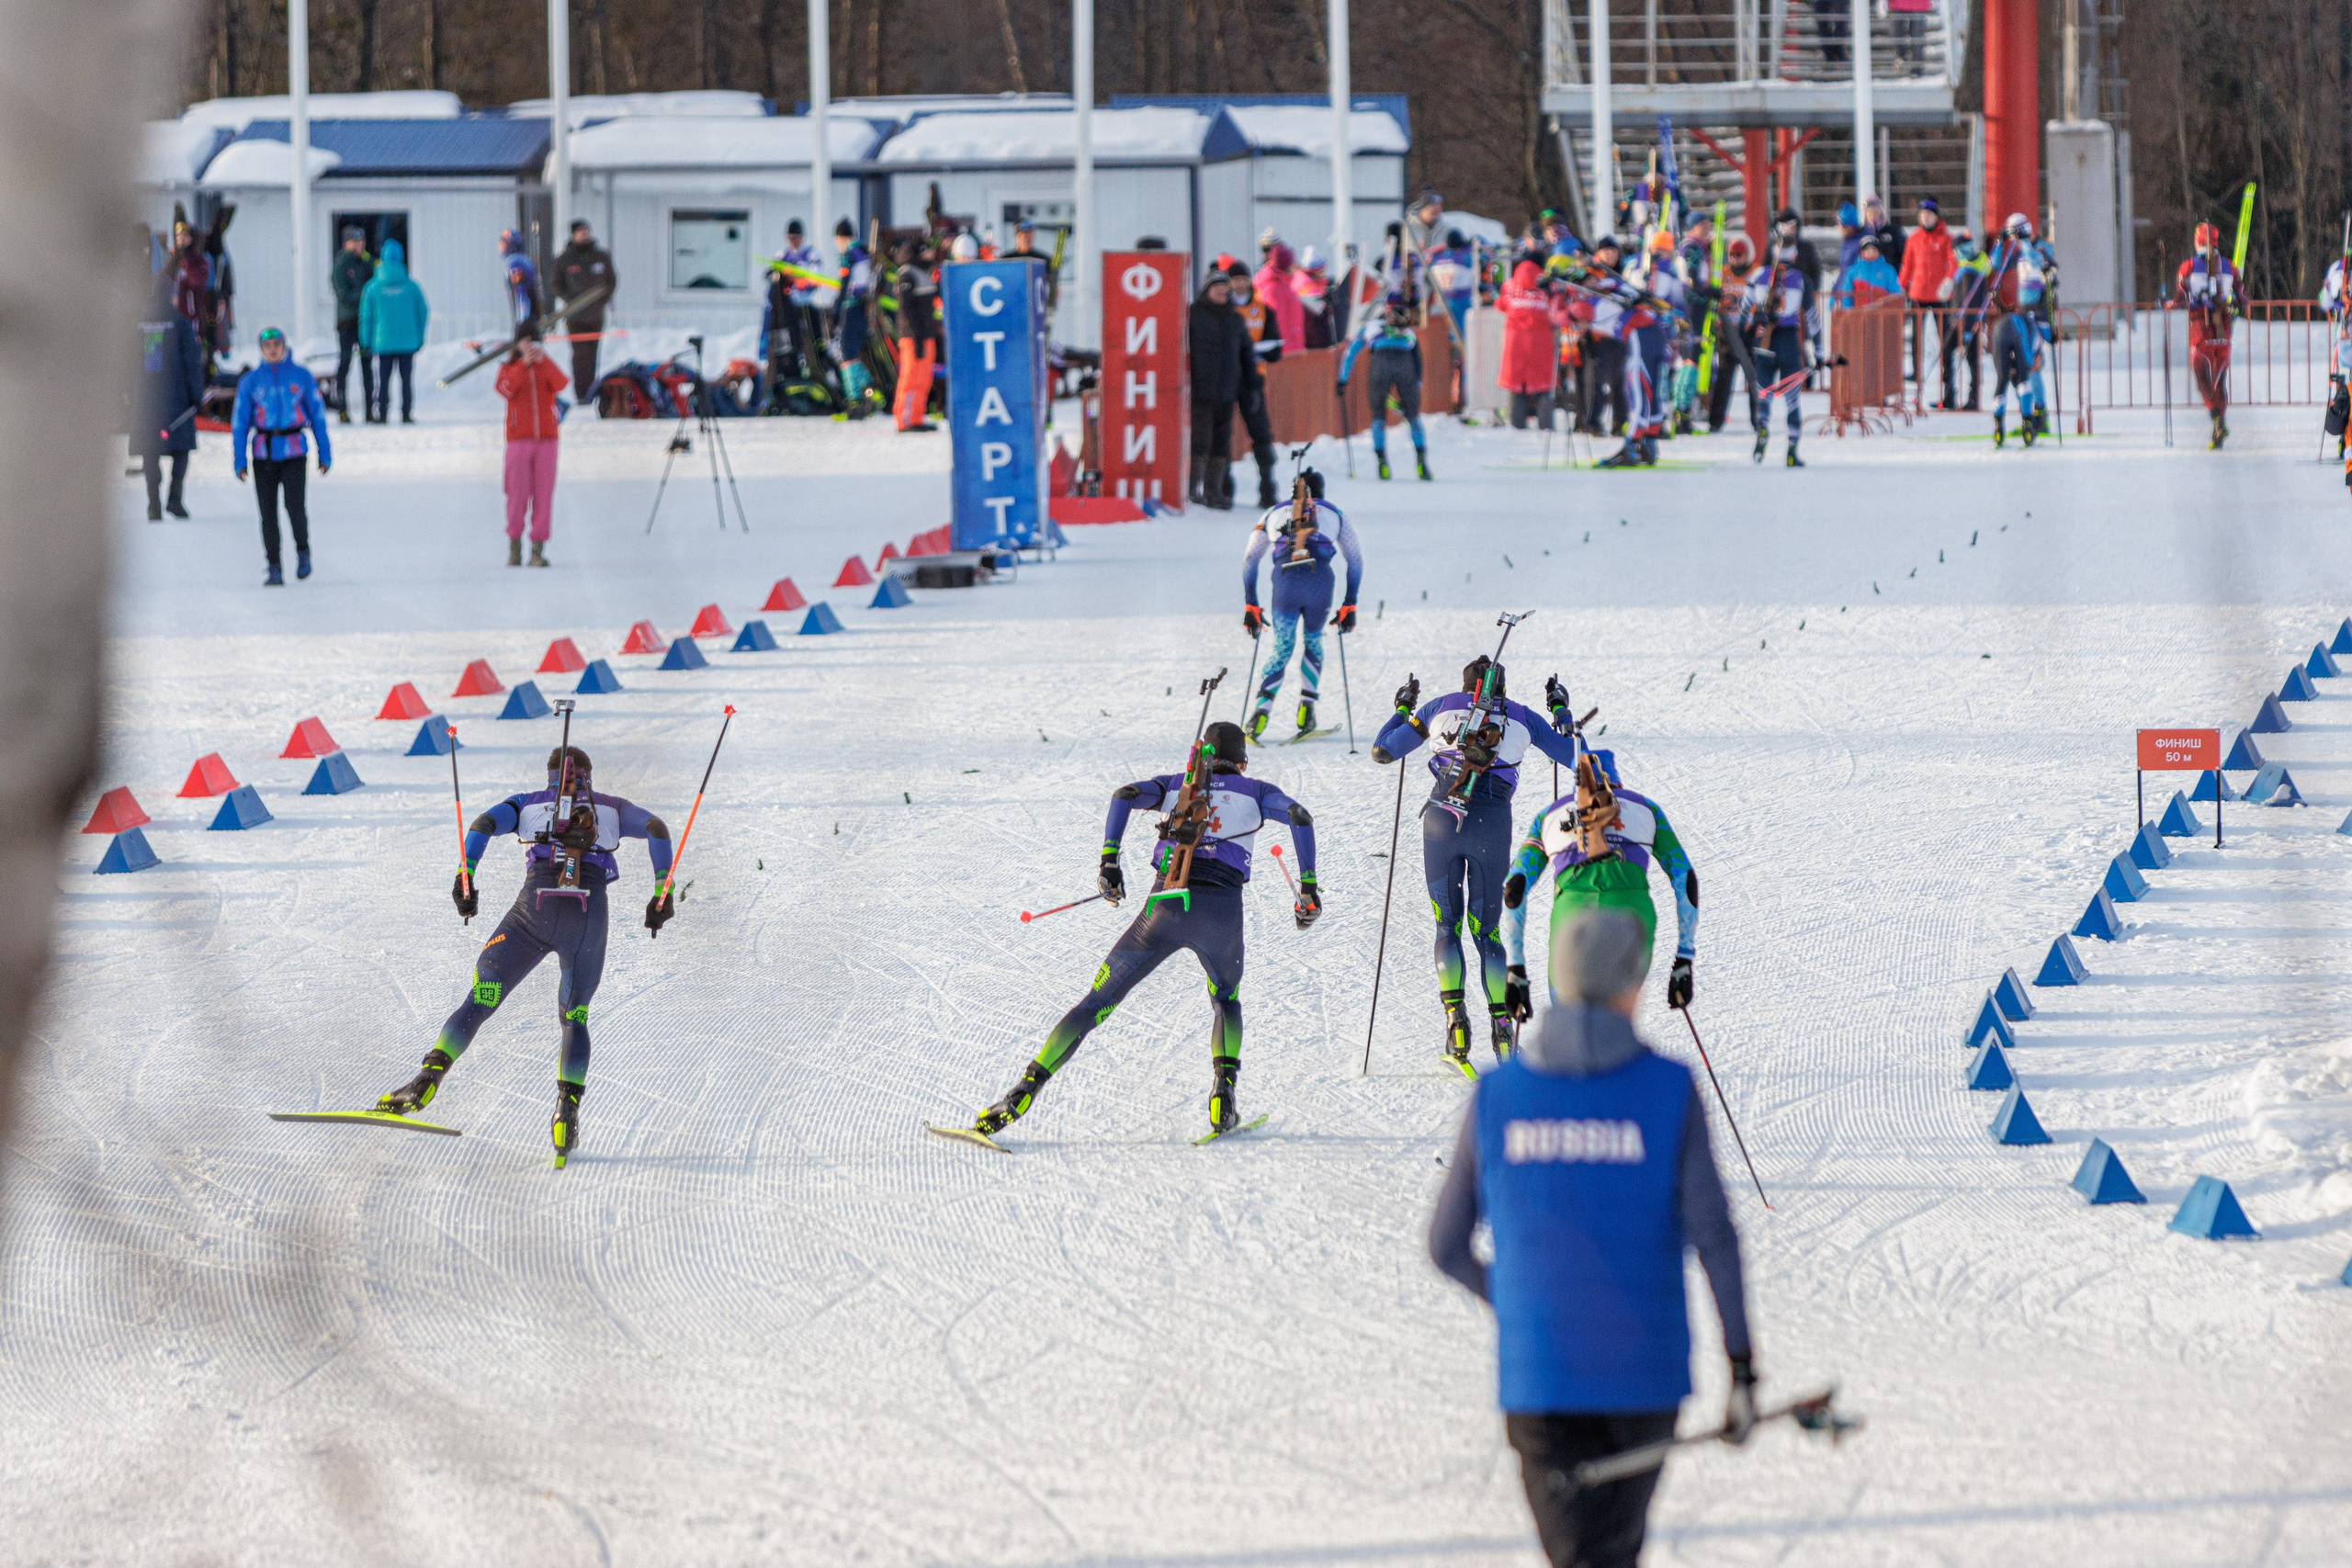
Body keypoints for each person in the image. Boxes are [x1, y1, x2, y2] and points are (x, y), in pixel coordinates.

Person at [1427, 907, 1756, 1568]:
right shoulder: (1668, 1088)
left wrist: (1520, 1306)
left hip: (1541, 1381)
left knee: (1582, 1554)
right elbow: (1714, 1235)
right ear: (1629, 986)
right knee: (1608, 1552)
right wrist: (1744, 1365)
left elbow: (1445, 1245)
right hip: (1646, 1381)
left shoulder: (1499, 1093)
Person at [944, 719, 1320, 1144]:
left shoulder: (1179, 783)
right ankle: (1223, 1098)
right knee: (1226, 999)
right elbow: (1298, 817)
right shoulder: (1256, 791)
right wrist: (1307, 888)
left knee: (1097, 1003)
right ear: (1243, 763)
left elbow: (1123, 794)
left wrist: (1110, 860)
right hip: (1221, 914)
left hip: (1164, 907)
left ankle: (1019, 1095)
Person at [375, 745, 675, 1168]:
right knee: (575, 1016)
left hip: (531, 912)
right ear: (589, 775)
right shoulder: (613, 807)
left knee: (480, 999)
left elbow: (482, 822)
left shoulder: (526, 802)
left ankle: (426, 1079)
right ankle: (565, 1114)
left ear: (549, 775)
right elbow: (657, 827)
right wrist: (662, 890)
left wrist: (467, 874)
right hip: (587, 917)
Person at [1374, 661, 1580, 1073]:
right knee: (1486, 933)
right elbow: (1575, 756)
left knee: (1445, 926)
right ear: (1502, 688)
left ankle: (1456, 1025)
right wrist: (1560, 711)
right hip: (1492, 822)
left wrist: (1402, 707)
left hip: (1441, 820)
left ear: (1465, 684)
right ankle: (1503, 1033)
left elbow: (1383, 750)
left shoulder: (1437, 707)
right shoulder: (1521, 716)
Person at [1501, 749, 1699, 1018]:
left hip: (1572, 914)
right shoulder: (1647, 809)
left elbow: (1515, 887)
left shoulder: (1548, 815)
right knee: (1616, 1022)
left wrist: (1516, 969)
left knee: (1570, 1023)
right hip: (1631, 913)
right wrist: (1684, 958)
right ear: (1615, 779)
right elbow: (1684, 876)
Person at [1243, 471, 1363, 739]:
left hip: (1285, 585)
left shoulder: (1272, 513)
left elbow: (1250, 559)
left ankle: (1259, 714)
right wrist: (1350, 602)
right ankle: (1306, 711)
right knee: (1313, 641)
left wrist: (1251, 603)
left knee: (1282, 647)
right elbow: (1355, 560)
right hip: (1320, 584)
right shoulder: (1336, 513)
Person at [229, 326, 330, 586]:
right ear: (261, 350)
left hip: (294, 451)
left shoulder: (301, 376)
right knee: (268, 513)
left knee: (295, 508)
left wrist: (324, 452)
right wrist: (239, 459)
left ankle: (303, 552)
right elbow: (240, 423)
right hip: (264, 454)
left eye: (277, 345)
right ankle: (273, 565)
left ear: (284, 346)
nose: (273, 350)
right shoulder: (251, 381)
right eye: (267, 346)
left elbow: (318, 417)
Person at [1745, 227, 1821, 468]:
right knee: (1792, 398)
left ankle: (1762, 430)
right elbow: (1812, 319)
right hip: (1788, 340)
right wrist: (1816, 350)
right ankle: (1791, 449)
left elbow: (1744, 311)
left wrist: (1750, 329)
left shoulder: (1758, 276)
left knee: (1764, 393)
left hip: (1764, 340)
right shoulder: (1801, 280)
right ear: (1794, 254)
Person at [134, 271, 206, 521]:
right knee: (181, 450)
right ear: (173, 296)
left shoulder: (139, 324)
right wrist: (197, 396)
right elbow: (191, 362)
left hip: (146, 400)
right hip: (177, 399)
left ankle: (153, 504)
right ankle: (174, 500)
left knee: (150, 449)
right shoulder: (180, 323)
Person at [1342, 289, 1432, 481]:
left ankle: (1382, 460)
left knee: (1378, 417)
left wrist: (1342, 379)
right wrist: (1417, 382)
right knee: (1413, 417)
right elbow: (1418, 360)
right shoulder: (1408, 330)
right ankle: (1421, 459)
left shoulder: (1370, 326)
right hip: (1405, 364)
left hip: (1379, 366)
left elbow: (1351, 352)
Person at [495, 339, 568, 568]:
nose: (530, 347)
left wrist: (543, 361)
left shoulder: (544, 365)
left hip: (547, 440)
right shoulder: (509, 368)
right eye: (525, 343)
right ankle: (514, 545)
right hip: (518, 441)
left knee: (544, 495)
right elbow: (505, 388)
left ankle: (538, 549)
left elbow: (561, 384)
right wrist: (522, 365)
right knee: (517, 494)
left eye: (534, 342)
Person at [1187, 269, 1249, 510]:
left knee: (1221, 443)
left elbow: (1245, 356)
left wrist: (1248, 387)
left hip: (1226, 391)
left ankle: (1214, 492)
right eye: (1217, 287)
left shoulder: (1234, 318)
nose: (1223, 291)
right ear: (1207, 290)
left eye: (1225, 287)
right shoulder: (1193, 315)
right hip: (1201, 391)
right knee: (1200, 441)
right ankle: (1193, 490)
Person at [2177, 220, 2238, 450]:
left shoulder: (2188, 266)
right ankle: (2218, 430)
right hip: (2223, 331)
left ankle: (2217, 420)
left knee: (2203, 381)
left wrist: (2167, 304)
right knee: (2220, 381)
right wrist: (2234, 305)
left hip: (2200, 330)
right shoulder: (2230, 266)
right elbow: (2242, 298)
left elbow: (2179, 298)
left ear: (2198, 241)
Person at [1227, 260, 1282, 508]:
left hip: (1253, 379)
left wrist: (1258, 350)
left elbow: (1274, 349)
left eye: (1242, 278)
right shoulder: (1223, 308)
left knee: (1260, 433)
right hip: (1226, 378)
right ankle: (1223, 488)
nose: (1239, 284)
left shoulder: (1262, 310)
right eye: (1234, 279)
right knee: (1222, 433)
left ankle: (1268, 487)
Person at [357, 237, 428, 424]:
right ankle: (406, 413)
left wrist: (366, 341)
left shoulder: (373, 287)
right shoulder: (412, 286)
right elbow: (423, 312)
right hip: (408, 341)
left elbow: (367, 317)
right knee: (406, 379)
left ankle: (382, 413)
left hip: (383, 342)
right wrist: (419, 338)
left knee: (383, 379)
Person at [1702, 234, 1764, 434]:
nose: (1736, 259)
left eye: (1740, 255)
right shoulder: (1723, 273)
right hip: (1727, 330)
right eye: (1732, 255)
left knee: (1753, 377)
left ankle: (1758, 419)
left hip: (1749, 330)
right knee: (1724, 376)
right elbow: (1711, 293)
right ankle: (1716, 420)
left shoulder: (1756, 272)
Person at [552, 220, 615, 412]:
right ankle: (582, 395)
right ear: (573, 235)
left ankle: (592, 391)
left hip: (595, 315)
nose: (584, 234)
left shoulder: (601, 257)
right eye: (580, 231)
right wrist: (572, 301)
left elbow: (611, 282)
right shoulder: (564, 259)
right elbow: (556, 285)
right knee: (580, 356)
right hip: (575, 317)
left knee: (593, 353)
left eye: (586, 231)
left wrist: (601, 301)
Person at [1898, 198, 1956, 403]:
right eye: (1922, 214)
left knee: (1946, 339)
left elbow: (1954, 262)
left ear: (1936, 216)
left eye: (1929, 214)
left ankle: (1948, 376)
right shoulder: (1913, 239)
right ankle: (1915, 371)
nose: (1925, 217)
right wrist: (1899, 288)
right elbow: (1907, 265)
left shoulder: (1946, 238)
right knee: (1916, 337)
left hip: (1940, 296)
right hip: (1918, 293)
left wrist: (1949, 280)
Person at [1500, 258, 1559, 430]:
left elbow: (1500, 304)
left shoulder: (1509, 286)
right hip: (1541, 345)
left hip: (1515, 345)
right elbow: (1555, 312)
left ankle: (1517, 424)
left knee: (1518, 388)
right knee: (1544, 388)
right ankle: (1546, 425)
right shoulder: (1548, 288)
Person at [888, 241, 942, 432]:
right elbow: (906, 309)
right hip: (913, 337)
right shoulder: (906, 274)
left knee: (924, 378)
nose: (932, 254)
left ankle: (916, 417)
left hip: (926, 335)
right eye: (927, 251)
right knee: (910, 378)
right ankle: (905, 419)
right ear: (919, 253)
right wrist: (917, 336)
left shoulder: (923, 274)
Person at [831, 220, 879, 416]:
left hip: (851, 307)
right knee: (856, 353)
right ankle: (871, 393)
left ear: (841, 238)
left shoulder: (849, 255)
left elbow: (844, 284)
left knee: (847, 354)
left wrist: (835, 310)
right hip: (865, 307)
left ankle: (856, 400)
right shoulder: (865, 253)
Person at [329, 226, 374, 424]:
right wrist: (365, 293)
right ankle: (342, 409)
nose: (358, 245)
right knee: (345, 363)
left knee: (367, 366)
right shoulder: (341, 264)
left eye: (361, 241)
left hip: (364, 323)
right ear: (346, 243)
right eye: (354, 241)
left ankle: (370, 411)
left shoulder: (367, 262)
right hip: (347, 323)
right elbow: (344, 295)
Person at [1945, 227, 1992, 411]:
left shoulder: (1972, 270)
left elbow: (1971, 301)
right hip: (1956, 320)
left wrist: (1966, 328)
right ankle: (1949, 394)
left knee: (1972, 359)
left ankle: (1973, 398)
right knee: (1947, 354)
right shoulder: (1963, 268)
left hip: (1968, 322)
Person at [1254, 242, 1307, 355]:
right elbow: (1278, 322)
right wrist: (1286, 350)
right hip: (1287, 353)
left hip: (1293, 349)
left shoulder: (1283, 283)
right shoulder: (1274, 287)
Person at [1836, 233, 1900, 307]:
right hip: (1858, 315)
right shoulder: (1853, 271)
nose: (1870, 252)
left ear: (1879, 252)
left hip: (1882, 316)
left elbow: (1896, 295)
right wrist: (1849, 314)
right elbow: (1847, 295)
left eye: (1874, 249)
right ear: (1861, 252)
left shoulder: (1889, 270)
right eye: (1867, 249)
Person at [500, 228, 543, 338]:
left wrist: (522, 321)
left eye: (503, 242)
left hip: (527, 320)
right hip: (532, 316)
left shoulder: (515, 262)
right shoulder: (523, 259)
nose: (500, 246)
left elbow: (521, 293)